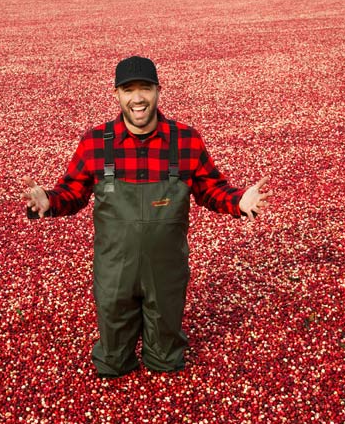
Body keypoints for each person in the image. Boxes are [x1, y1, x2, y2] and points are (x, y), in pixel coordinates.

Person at [21, 56, 272, 378]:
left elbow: (211, 188)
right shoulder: (96, 142)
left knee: (167, 353)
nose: (137, 98)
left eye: (145, 88)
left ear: (158, 91)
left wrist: (239, 201)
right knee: (113, 351)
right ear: (116, 94)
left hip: (166, 266)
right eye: (128, 89)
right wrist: (48, 201)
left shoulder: (185, 140)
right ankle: (115, 367)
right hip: (114, 267)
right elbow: (72, 192)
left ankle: (164, 364)